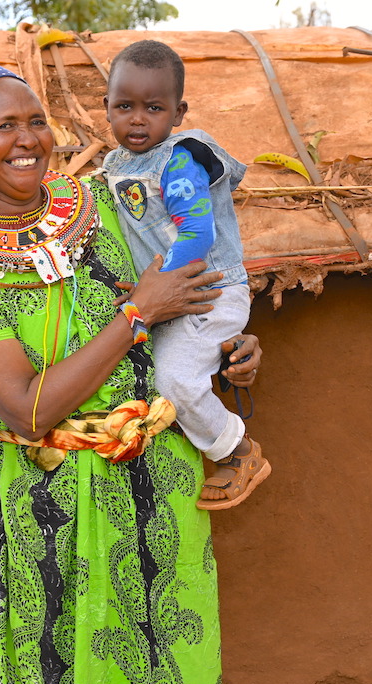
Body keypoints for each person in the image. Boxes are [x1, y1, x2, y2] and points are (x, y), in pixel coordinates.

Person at [0, 61, 261, 684]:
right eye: (4, 126)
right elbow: (23, 409)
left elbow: (183, 285)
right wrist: (137, 314)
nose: (28, 139)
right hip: (44, 509)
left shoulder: (99, 202)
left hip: (155, 490)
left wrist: (227, 341)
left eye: (37, 121)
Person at [102, 39, 270, 511]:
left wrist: (145, 292)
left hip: (207, 291)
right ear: (107, 107)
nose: (138, 119)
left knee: (173, 379)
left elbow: (196, 234)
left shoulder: (178, 160)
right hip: (174, 296)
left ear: (179, 113)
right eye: (125, 106)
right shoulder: (116, 165)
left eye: (154, 107)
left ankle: (237, 452)